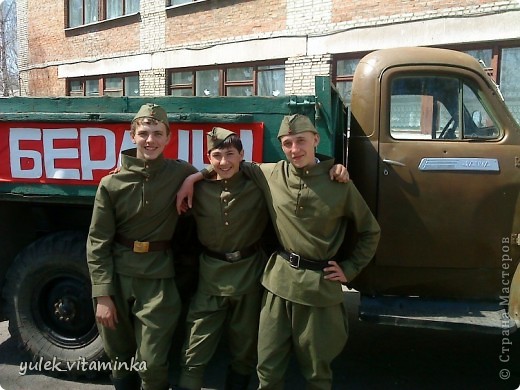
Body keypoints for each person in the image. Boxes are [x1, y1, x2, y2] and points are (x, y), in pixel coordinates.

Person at [180, 114, 380, 389]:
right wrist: (194, 177)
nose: (295, 149)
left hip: (319, 286)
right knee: (268, 368)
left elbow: (371, 231)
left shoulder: (339, 184)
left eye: (301, 141)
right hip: (279, 282)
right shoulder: (272, 173)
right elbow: (228, 165)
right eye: (288, 143)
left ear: (316, 140)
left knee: (317, 370)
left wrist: (351, 268)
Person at [86, 103, 198, 390]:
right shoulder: (111, 184)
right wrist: (102, 295)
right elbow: (98, 242)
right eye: (144, 133)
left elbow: (223, 168)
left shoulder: (179, 172)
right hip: (119, 278)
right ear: (132, 135)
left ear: (168, 137)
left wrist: (193, 179)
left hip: (158, 280)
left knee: (151, 362)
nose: (151, 140)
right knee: (120, 358)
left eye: (158, 133)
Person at [177, 127, 270, 390]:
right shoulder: (200, 188)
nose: (224, 162)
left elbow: (294, 173)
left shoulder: (257, 183)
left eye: (230, 154)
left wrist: (333, 168)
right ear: (208, 157)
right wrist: (195, 178)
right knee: (194, 346)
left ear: (242, 154)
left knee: (245, 347)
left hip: (249, 274)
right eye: (216, 155)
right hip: (211, 275)